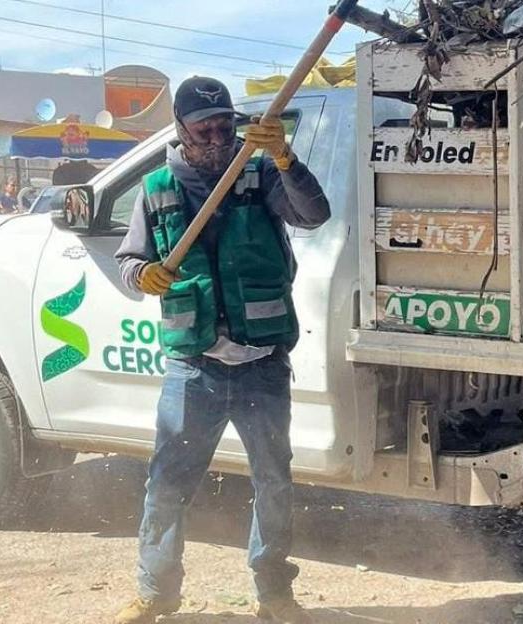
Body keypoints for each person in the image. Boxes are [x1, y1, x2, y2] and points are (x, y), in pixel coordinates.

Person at [112, 76, 330, 624]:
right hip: (194, 367)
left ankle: (275, 595)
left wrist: (284, 157)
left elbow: (313, 213)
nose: (216, 136)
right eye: (204, 127)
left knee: (274, 481)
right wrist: (144, 274)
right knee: (167, 485)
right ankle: (155, 594)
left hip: (261, 366)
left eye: (224, 125)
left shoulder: (260, 173)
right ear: (180, 129)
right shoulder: (157, 187)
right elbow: (129, 260)